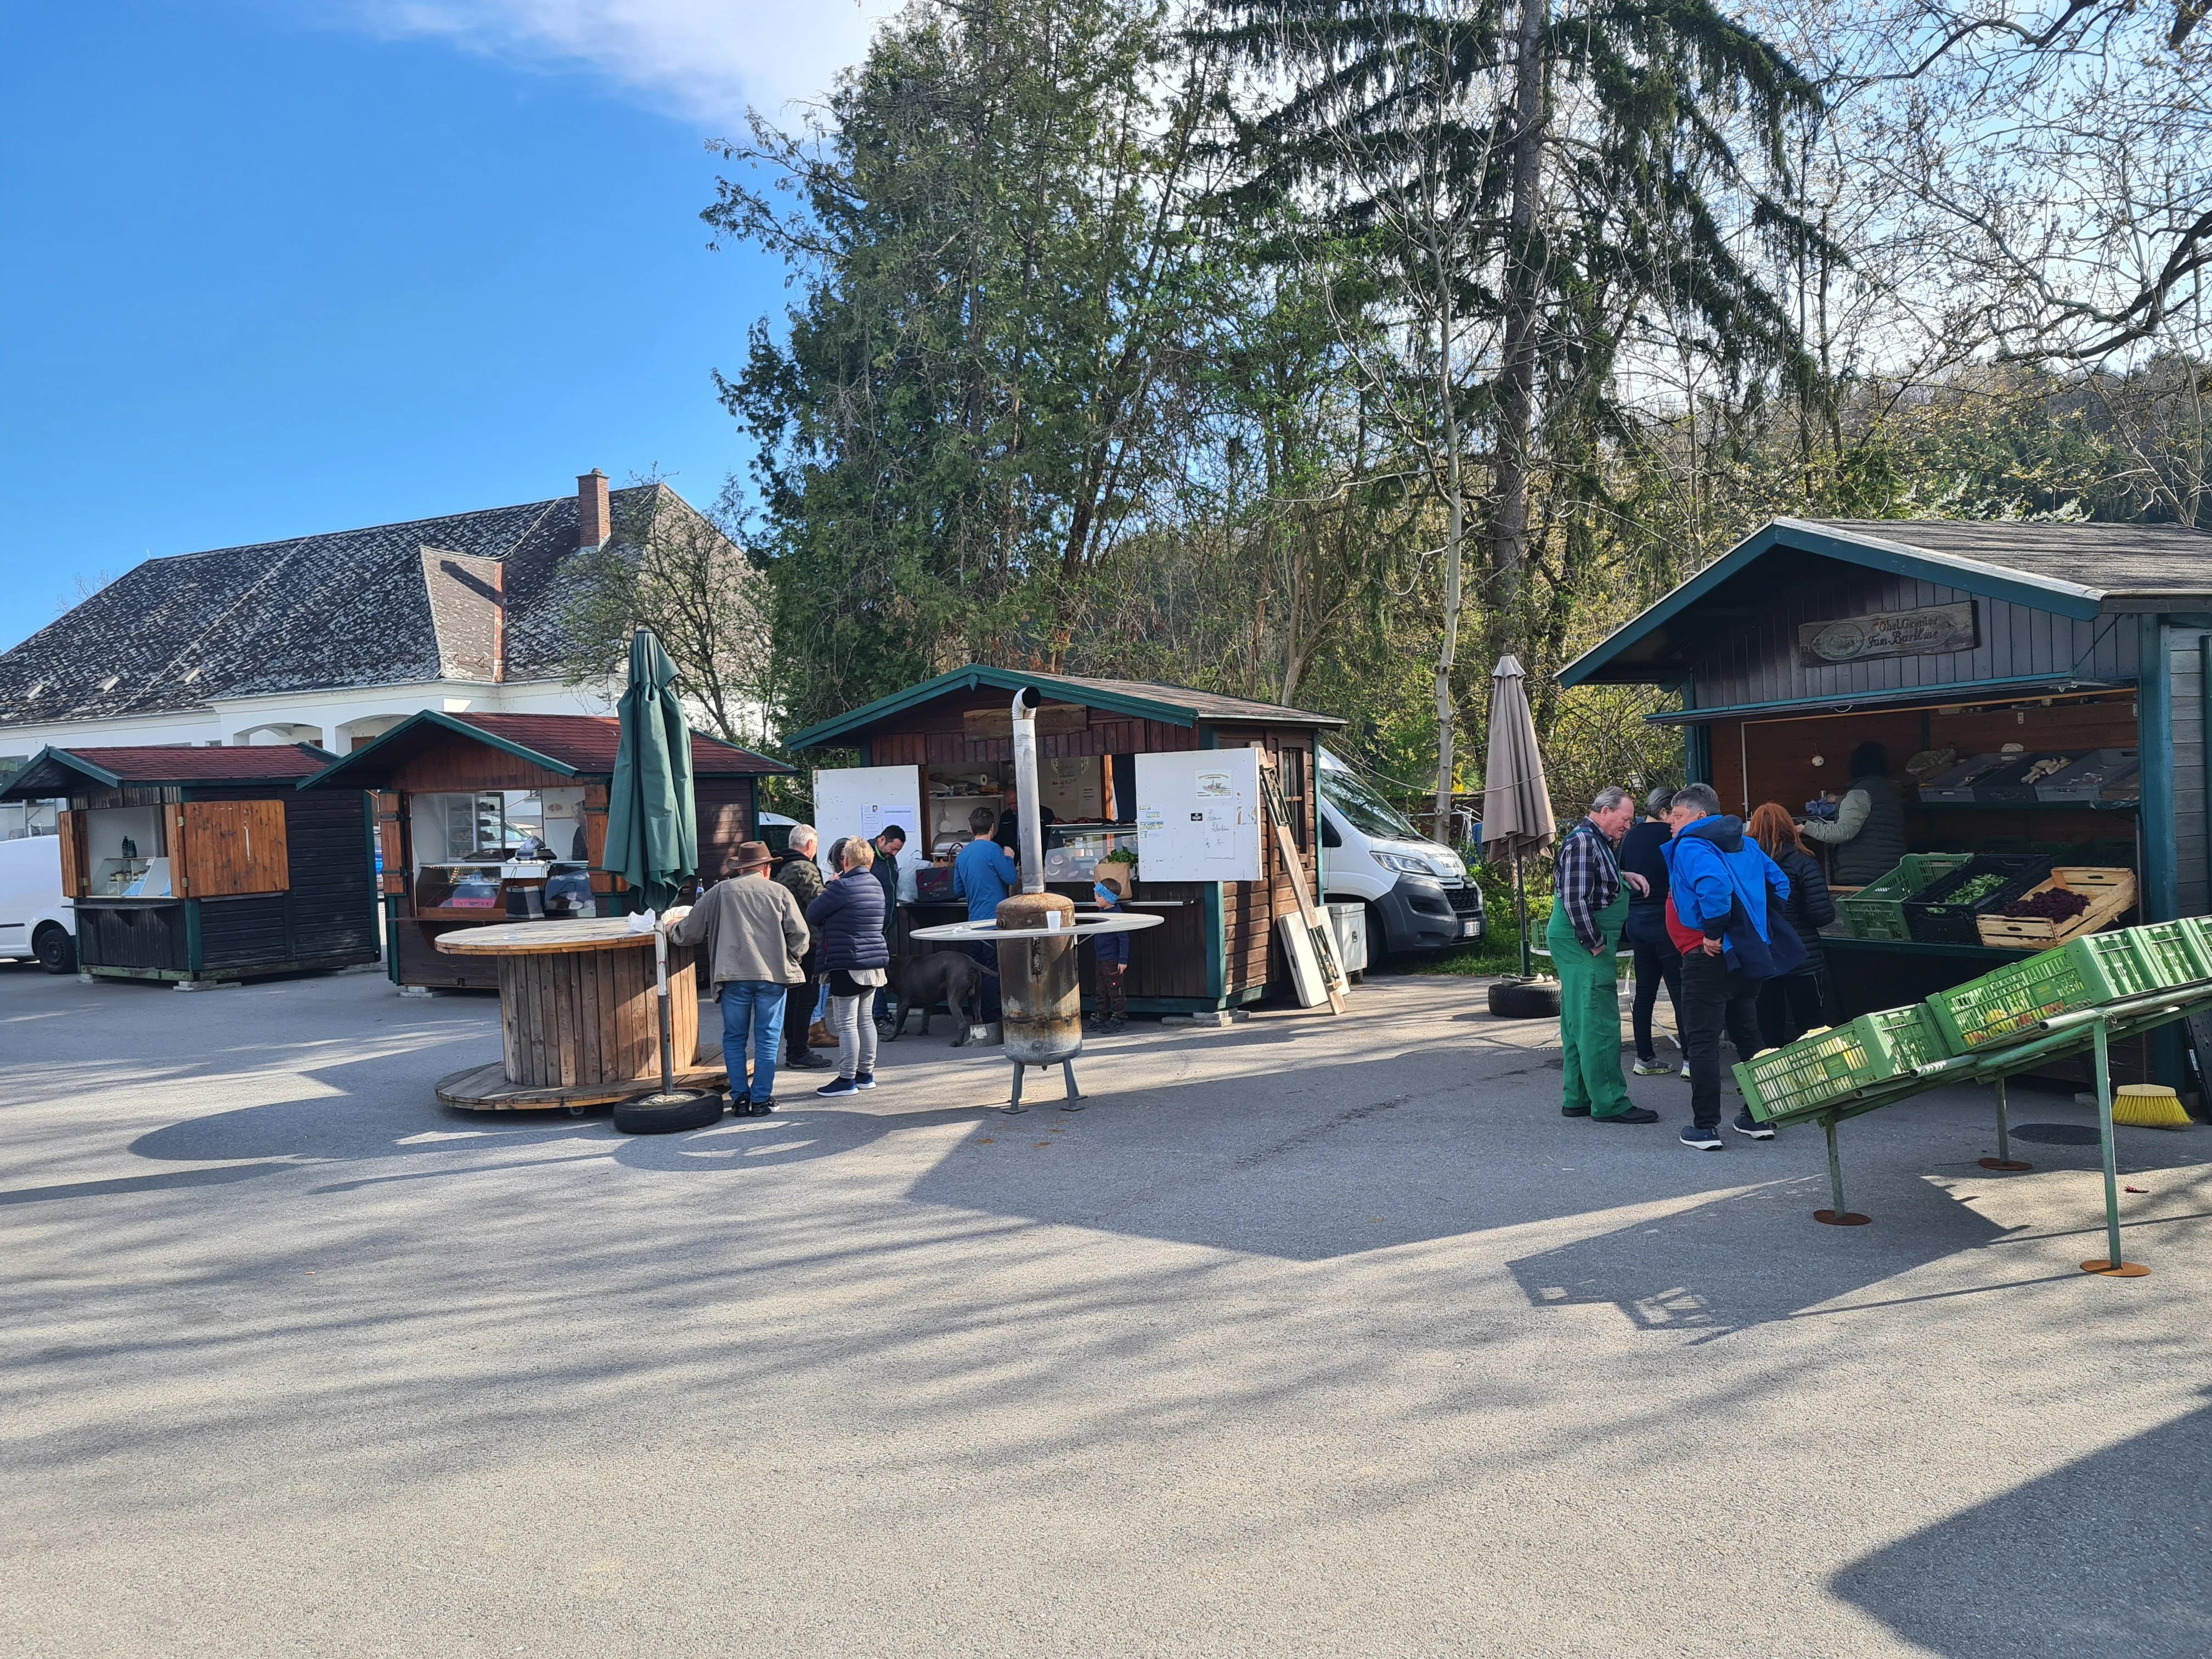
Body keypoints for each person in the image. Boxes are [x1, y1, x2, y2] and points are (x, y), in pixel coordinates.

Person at [1662, 783, 1801, 1150]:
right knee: (1748, 1035)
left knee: (1703, 1040)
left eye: (1677, 816)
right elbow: (1781, 884)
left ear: (1699, 817)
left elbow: (1715, 885)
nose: (1670, 824)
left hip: (1707, 956)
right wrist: (1756, 924)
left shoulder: (1692, 846)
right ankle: (1759, 1118)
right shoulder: (1748, 844)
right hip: (1748, 954)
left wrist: (1714, 931)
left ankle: (1705, 1127)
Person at [664, 839, 809, 1117]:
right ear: (766, 867)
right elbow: (801, 937)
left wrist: (672, 932)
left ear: (741, 868)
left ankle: (741, 1099)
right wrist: (791, 956)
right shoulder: (779, 892)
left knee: (734, 1039)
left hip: (731, 976)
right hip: (773, 975)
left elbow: (690, 931)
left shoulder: (719, 892)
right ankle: (762, 1100)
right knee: (767, 1039)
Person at [1545, 786, 1658, 1125]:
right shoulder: (1584, 842)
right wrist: (1595, 942)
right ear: (1605, 811)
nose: (1629, 825)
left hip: (1576, 938)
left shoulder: (1593, 841)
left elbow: (1590, 883)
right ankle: (1610, 1103)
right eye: (1625, 819)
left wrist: (1624, 877)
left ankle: (1577, 1097)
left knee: (1578, 1019)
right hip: (1585, 939)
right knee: (1599, 1022)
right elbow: (1576, 898)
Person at [805, 837, 891, 1097]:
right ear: (871, 859)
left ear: (845, 860)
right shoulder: (876, 885)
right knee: (866, 1021)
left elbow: (812, 914)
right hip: (874, 962)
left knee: (846, 1024)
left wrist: (832, 886)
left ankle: (846, 1079)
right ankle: (866, 1074)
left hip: (847, 962)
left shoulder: (841, 887)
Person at [1747, 803, 1837, 1049]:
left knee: (1768, 1025)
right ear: (1790, 828)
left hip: (1762, 955)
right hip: (1802, 955)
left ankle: (1773, 1080)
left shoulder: (1747, 866)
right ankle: (1818, 1076)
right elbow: (1821, 915)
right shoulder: (1804, 863)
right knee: (1813, 1027)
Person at [1618, 785, 1688, 1080]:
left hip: (1635, 920)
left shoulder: (1628, 837)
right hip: (1666, 919)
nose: (1675, 821)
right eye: (1673, 813)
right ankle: (1690, 1059)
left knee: (1645, 990)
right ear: (1664, 812)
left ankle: (1644, 1056)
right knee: (1679, 990)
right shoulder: (1672, 837)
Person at [1801, 741, 1909, 885]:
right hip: (1892, 871)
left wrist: (1805, 827)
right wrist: (1840, 799)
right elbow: (1872, 818)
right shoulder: (1890, 791)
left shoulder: (1859, 794)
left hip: (1865, 875)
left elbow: (1843, 832)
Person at [774, 824, 832, 1072]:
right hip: (808, 942)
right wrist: (834, 887)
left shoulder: (780, 866)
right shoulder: (804, 868)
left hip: (787, 941)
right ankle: (799, 1051)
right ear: (810, 845)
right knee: (806, 998)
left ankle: (793, 1050)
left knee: (793, 998)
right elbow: (819, 904)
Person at [953, 805, 1019, 1022]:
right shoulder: (994, 850)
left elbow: (958, 890)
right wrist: (1008, 857)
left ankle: (977, 1016)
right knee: (992, 970)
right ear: (992, 828)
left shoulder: (962, 855)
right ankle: (992, 1018)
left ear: (972, 830)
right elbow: (1011, 878)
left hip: (973, 924)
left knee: (975, 971)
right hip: (995, 922)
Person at [868, 823, 907, 1030]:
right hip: (871, 926)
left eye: (898, 850)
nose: (895, 853)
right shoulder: (867, 857)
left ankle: (880, 1015)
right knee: (876, 971)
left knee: (882, 970)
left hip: (887, 925)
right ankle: (879, 1016)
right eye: (893, 848)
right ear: (882, 840)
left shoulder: (890, 860)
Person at [1088, 867, 1132, 1033]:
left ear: (1108, 898)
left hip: (1113, 960)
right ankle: (1100, 1016)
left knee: (1116, 989)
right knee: (1100, 989)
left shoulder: (1116, 916)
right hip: (1101, 958)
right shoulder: (1102, 912)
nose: (1095, 898)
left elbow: (1124, 939)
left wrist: (1123, 960)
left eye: (1098, 895)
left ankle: (1119, 1018)